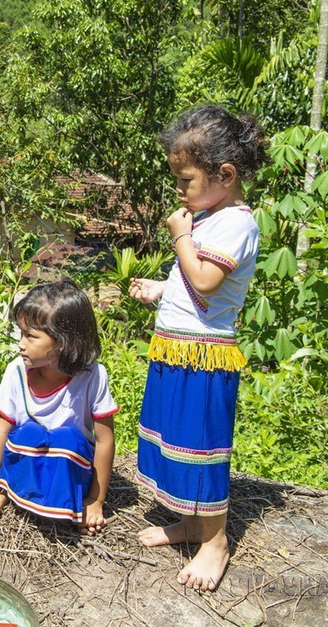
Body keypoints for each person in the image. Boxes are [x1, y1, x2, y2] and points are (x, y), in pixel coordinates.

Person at [129, 105, 266, 591]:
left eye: (185, 179)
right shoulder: (209, 219)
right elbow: (191, 280)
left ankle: (214, 542)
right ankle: (189, 522)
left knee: (202, 447)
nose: (180, 190)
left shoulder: (236, 223)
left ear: (224, 175)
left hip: (205, 356)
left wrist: (181, 235)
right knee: (175, 440)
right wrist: (160, 288)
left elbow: (206, 281)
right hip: (175, 349)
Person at [0, 280, 118, 534]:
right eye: (20, 333)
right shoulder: (16, 371)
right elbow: (2, 433)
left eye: (30, 336)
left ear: (63, 342)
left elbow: (105, 441)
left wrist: (95, 501)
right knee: (28, 433)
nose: (21, 344)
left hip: (69, 468)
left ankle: (42, 499)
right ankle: (13, 491)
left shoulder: (93, 375)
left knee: (67, 438)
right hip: (28, 459)